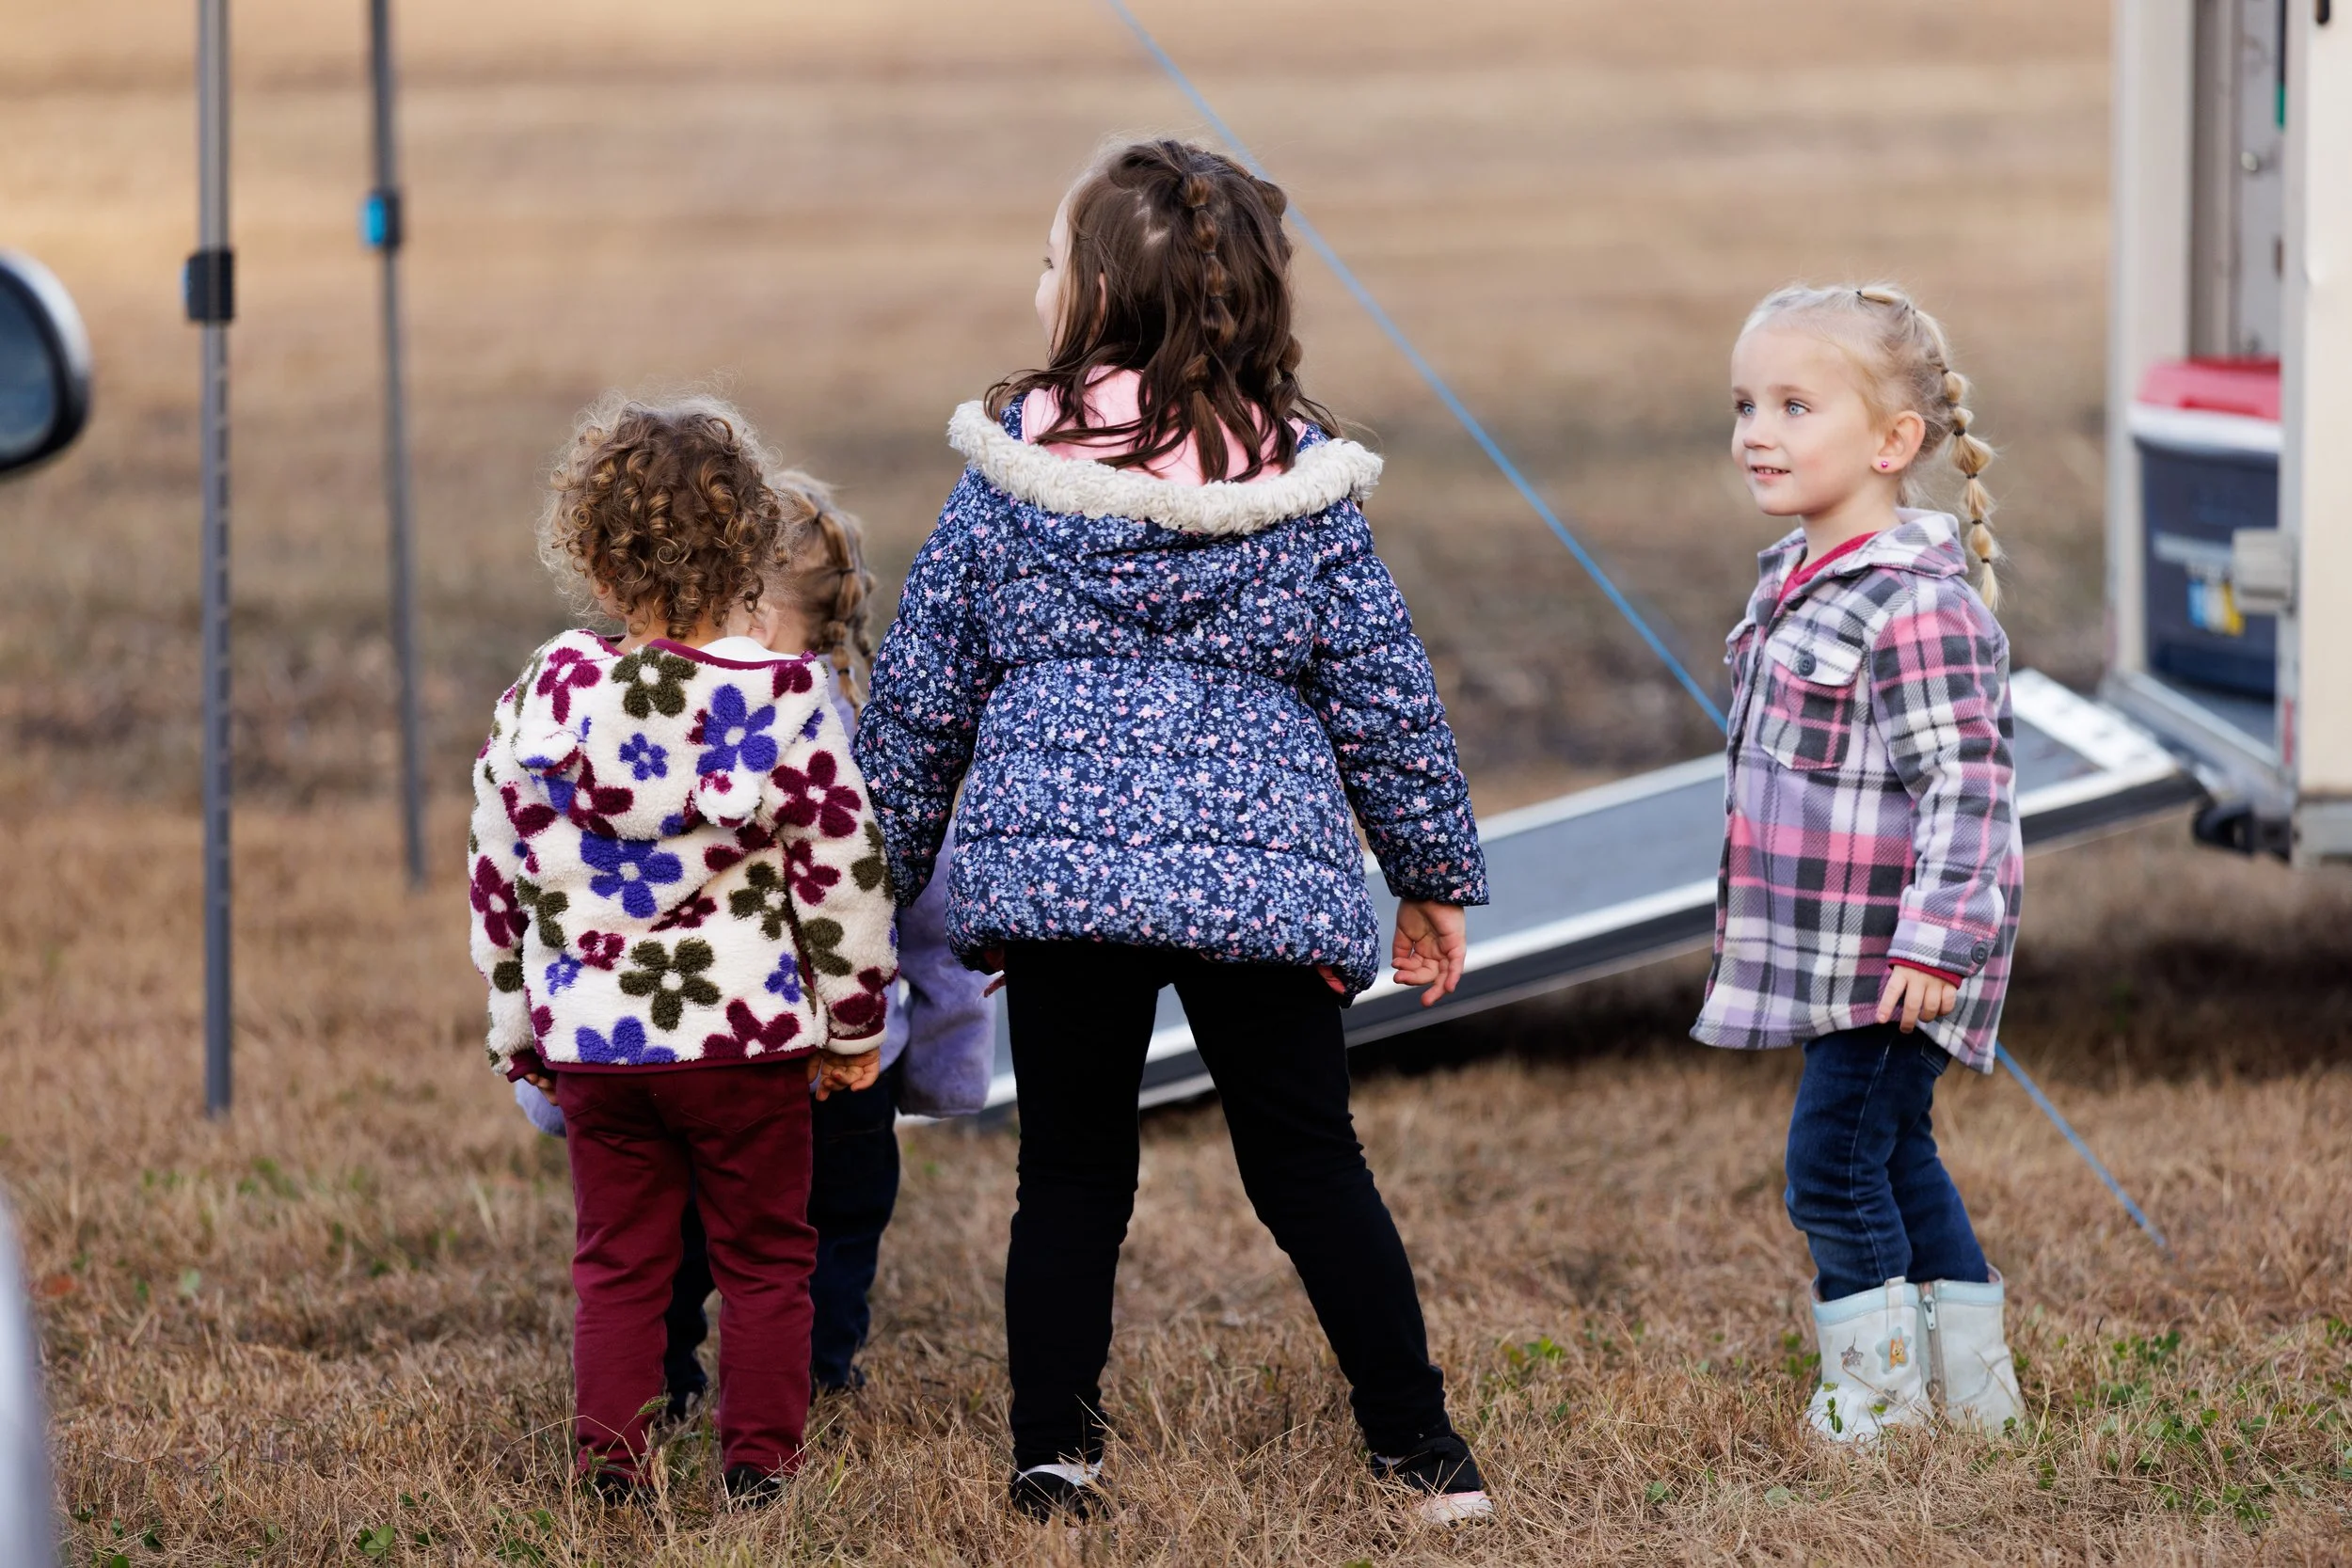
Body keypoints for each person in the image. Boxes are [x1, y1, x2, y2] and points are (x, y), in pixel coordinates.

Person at [855, 138, 1493, 1524]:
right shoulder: (1305, 492)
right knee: (1312, 1160)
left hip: (1064, 885)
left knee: (1072, 1166)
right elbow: (1386, 700)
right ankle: (1424, 1453)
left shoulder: (1008, 480)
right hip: (1259, 890)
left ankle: (1053, 1453)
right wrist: (1432, 875)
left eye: (1047, 261)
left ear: (1090, 298)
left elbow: (916, 704)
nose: (1035, 282)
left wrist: (864, 882)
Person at [467, 395, 899, 1500]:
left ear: (595, 562)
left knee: (616, 1262)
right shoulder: (785, 699)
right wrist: (853, 1026)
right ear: (751, 548)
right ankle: (758, 1468)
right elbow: (842, 877)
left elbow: (499, 876)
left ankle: (611, 1466)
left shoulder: (541, 697)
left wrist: (520, 1028)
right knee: (766, 1260)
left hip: (596, 1046)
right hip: (745, 1045)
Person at [512, 468, 997, 1401]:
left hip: (667, 1041)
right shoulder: (851, 735)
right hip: (835, 1051)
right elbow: (924, 914)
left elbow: (557, 892)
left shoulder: (609, 724)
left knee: (674, 1222)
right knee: (827, 1229)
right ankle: (809, 1379)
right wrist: (939, 1059)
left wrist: (552, 1061)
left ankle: (660, 1380)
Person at [1695, 284, 2026, 1441]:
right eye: (1746, 404)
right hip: (1840, 951)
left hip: (1899, 954)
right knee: (1896, 1150)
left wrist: (1937, 940)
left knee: (1831, 1167)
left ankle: (1878, 1407)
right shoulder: (1793, 574)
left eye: (1794, 404)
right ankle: (1975, 1398)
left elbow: (1968, 789)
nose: (1757, 432)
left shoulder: (1913, 606)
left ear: (1894, 442)